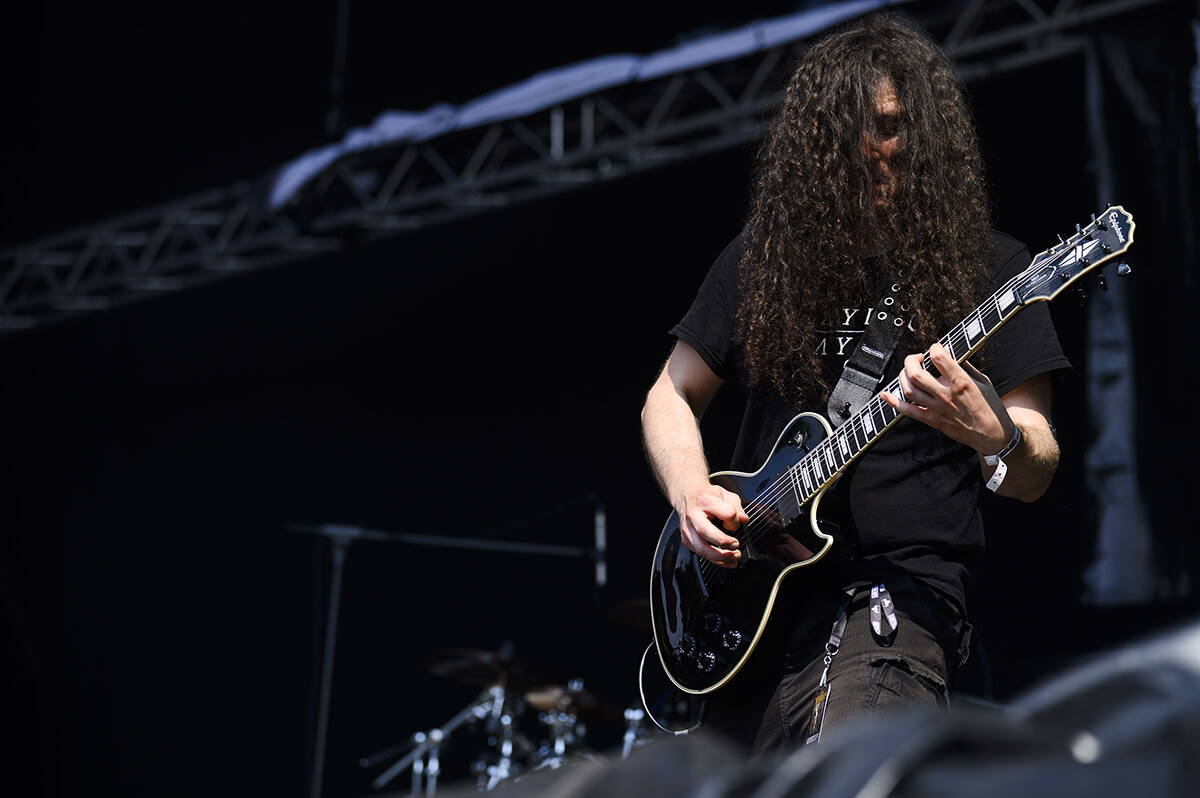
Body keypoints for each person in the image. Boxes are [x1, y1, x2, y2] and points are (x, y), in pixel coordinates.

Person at [639, 11, 1070, 756]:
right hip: (753, 609)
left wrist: (992, 434)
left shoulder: (993, 269)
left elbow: (1036, 465)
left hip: (894, 600)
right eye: (849, 130)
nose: (871, 149)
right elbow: (668, 395)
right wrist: (690, 493)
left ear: (926, 137)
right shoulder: (764, 258)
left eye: (891, 127)